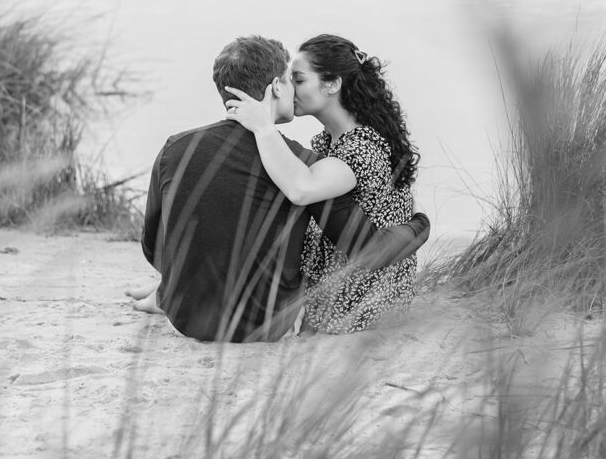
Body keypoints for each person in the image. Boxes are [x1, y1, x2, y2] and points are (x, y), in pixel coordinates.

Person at [134, 35, 429, 343]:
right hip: (273, 316)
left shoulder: (176, 148)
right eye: (291, 79)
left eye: (299, 79)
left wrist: (177, 282)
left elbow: (154, 246)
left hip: (359, 287)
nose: (294, 87)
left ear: (332, 85)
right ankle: (167, 292)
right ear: (275, 87)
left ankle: (166, 294)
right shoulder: (306, 155)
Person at [225, 34, 420, 335]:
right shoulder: (328, 140)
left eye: (298, 80)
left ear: (331, 85)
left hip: (361, 299)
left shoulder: (363, 148)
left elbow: (302, 190)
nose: (288, 88)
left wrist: (264, 126)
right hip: (339, 280)